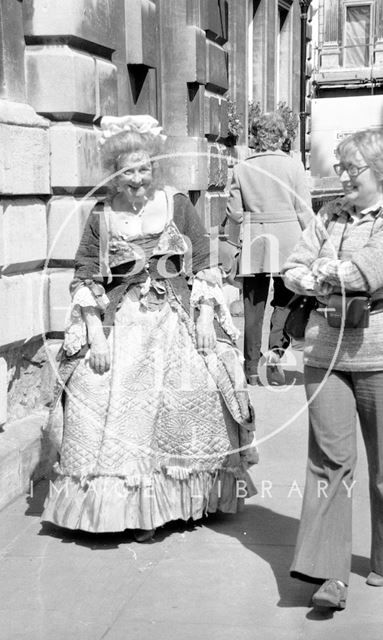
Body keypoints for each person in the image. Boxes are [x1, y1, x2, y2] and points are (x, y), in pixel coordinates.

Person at [42, 115, 257, 542]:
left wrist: (203, 319)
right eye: (127, 171)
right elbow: (86, 274)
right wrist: (96, 333)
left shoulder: (176, 203)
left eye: (143, 169)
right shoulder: (101, 216)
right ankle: (130, 509)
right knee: (99, 390)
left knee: (191, 393)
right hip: (122, 319)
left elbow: (202, 258)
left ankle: (178, 504)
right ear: (114, 174)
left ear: (154, 167)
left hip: (176, 314)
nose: (137, 179)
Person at [282, 127, 383, 609]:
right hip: (325, 353)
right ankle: (329, 576)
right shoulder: (328, 214)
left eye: (352, 168)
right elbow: (292, 269)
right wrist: (316, 275)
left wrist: (321, 274)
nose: (341, 175)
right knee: (328, 463)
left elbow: (365, 269)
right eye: (339, 166)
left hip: (379, 354)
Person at [226, 112, 312, 385]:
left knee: (253, 306)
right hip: (289, 241)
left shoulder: (241, 168)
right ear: (282, 136)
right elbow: (304, 210)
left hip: (256, 241)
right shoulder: (294, 166)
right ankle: (276, 353)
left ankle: (251, 368)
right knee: (287, 300)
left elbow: (235, 213)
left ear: (255, 137)